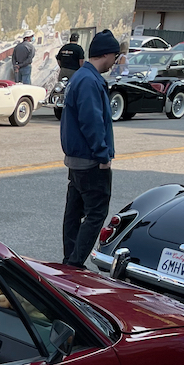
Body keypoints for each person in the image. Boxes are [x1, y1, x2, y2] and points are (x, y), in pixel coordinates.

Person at [59, 29, 119, 268]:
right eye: (115, 56)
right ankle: (74, 263)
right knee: (96, 212)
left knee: (74, 211)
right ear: (106, 54)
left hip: (76, 158)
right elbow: (91, 121)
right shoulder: (89, 81)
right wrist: (103, 155)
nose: (114, 62)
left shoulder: (80, 77)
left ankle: (69, 260)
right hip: (90, 159)